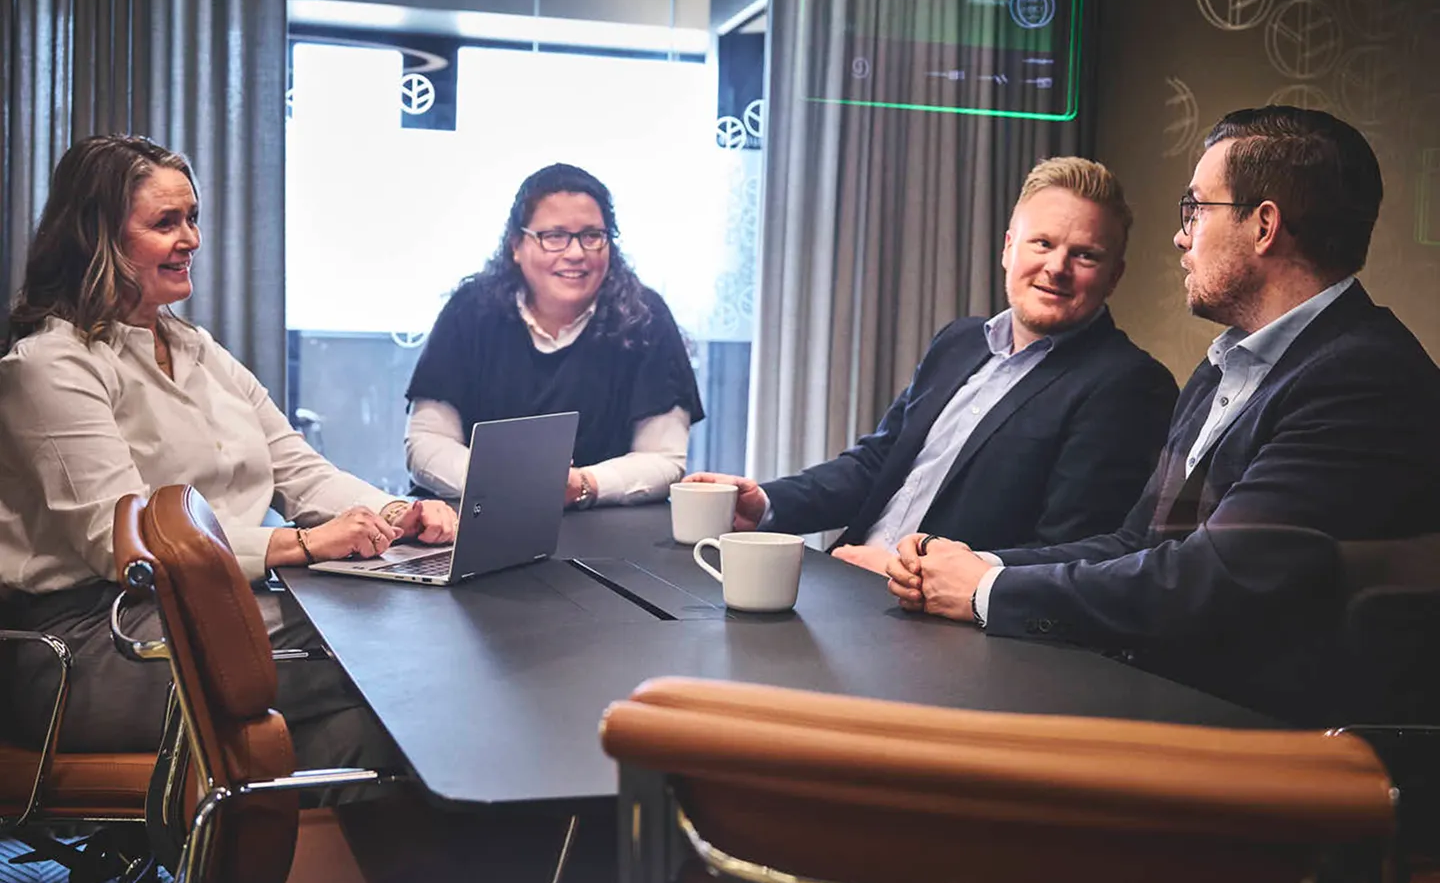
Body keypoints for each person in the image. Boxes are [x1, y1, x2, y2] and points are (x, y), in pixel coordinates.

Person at [886, 106, 1440, 725]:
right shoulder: (1225, 365)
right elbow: (1138, 541)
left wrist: (987, 592)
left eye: (1196, 209)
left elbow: (1212, 582)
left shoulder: (1362, 378)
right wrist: (978, 564)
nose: (1181, 235)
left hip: (1262, 745)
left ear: (1263, 226)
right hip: (1172, 695)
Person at [0, 134, 457, 769]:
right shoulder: (50, 365)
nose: (190, 238)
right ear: (97, 236)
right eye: (166, 223)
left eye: (192, 218)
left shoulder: (197, 349)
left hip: (208, 607)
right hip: (90, 642)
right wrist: (299, 545)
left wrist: (396, 514)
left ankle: (319, 865)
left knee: (365, 732)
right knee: (388, 647)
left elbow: (300, 472)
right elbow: (120, 539)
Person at [688, 157, 1177, 574]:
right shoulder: (959, 342)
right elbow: (876, 464)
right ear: (1009, 248)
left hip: (943, 633)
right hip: (846, 584)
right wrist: (766, 503)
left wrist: (908, 574)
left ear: (1114, 277)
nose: (1056, 267)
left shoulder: (1128, 385)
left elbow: (1065, 556)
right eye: (1042, 244)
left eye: (1084, 255)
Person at [404, 162, 704, 507]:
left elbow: (663, 458)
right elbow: (427, 442)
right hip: (473, 519)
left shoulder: (646, 319)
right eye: (554, 237)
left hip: (605, 531)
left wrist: (583, 485)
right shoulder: (470, 311)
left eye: (592, 236)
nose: (575, 253)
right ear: (516, 245)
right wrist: (501, 483)